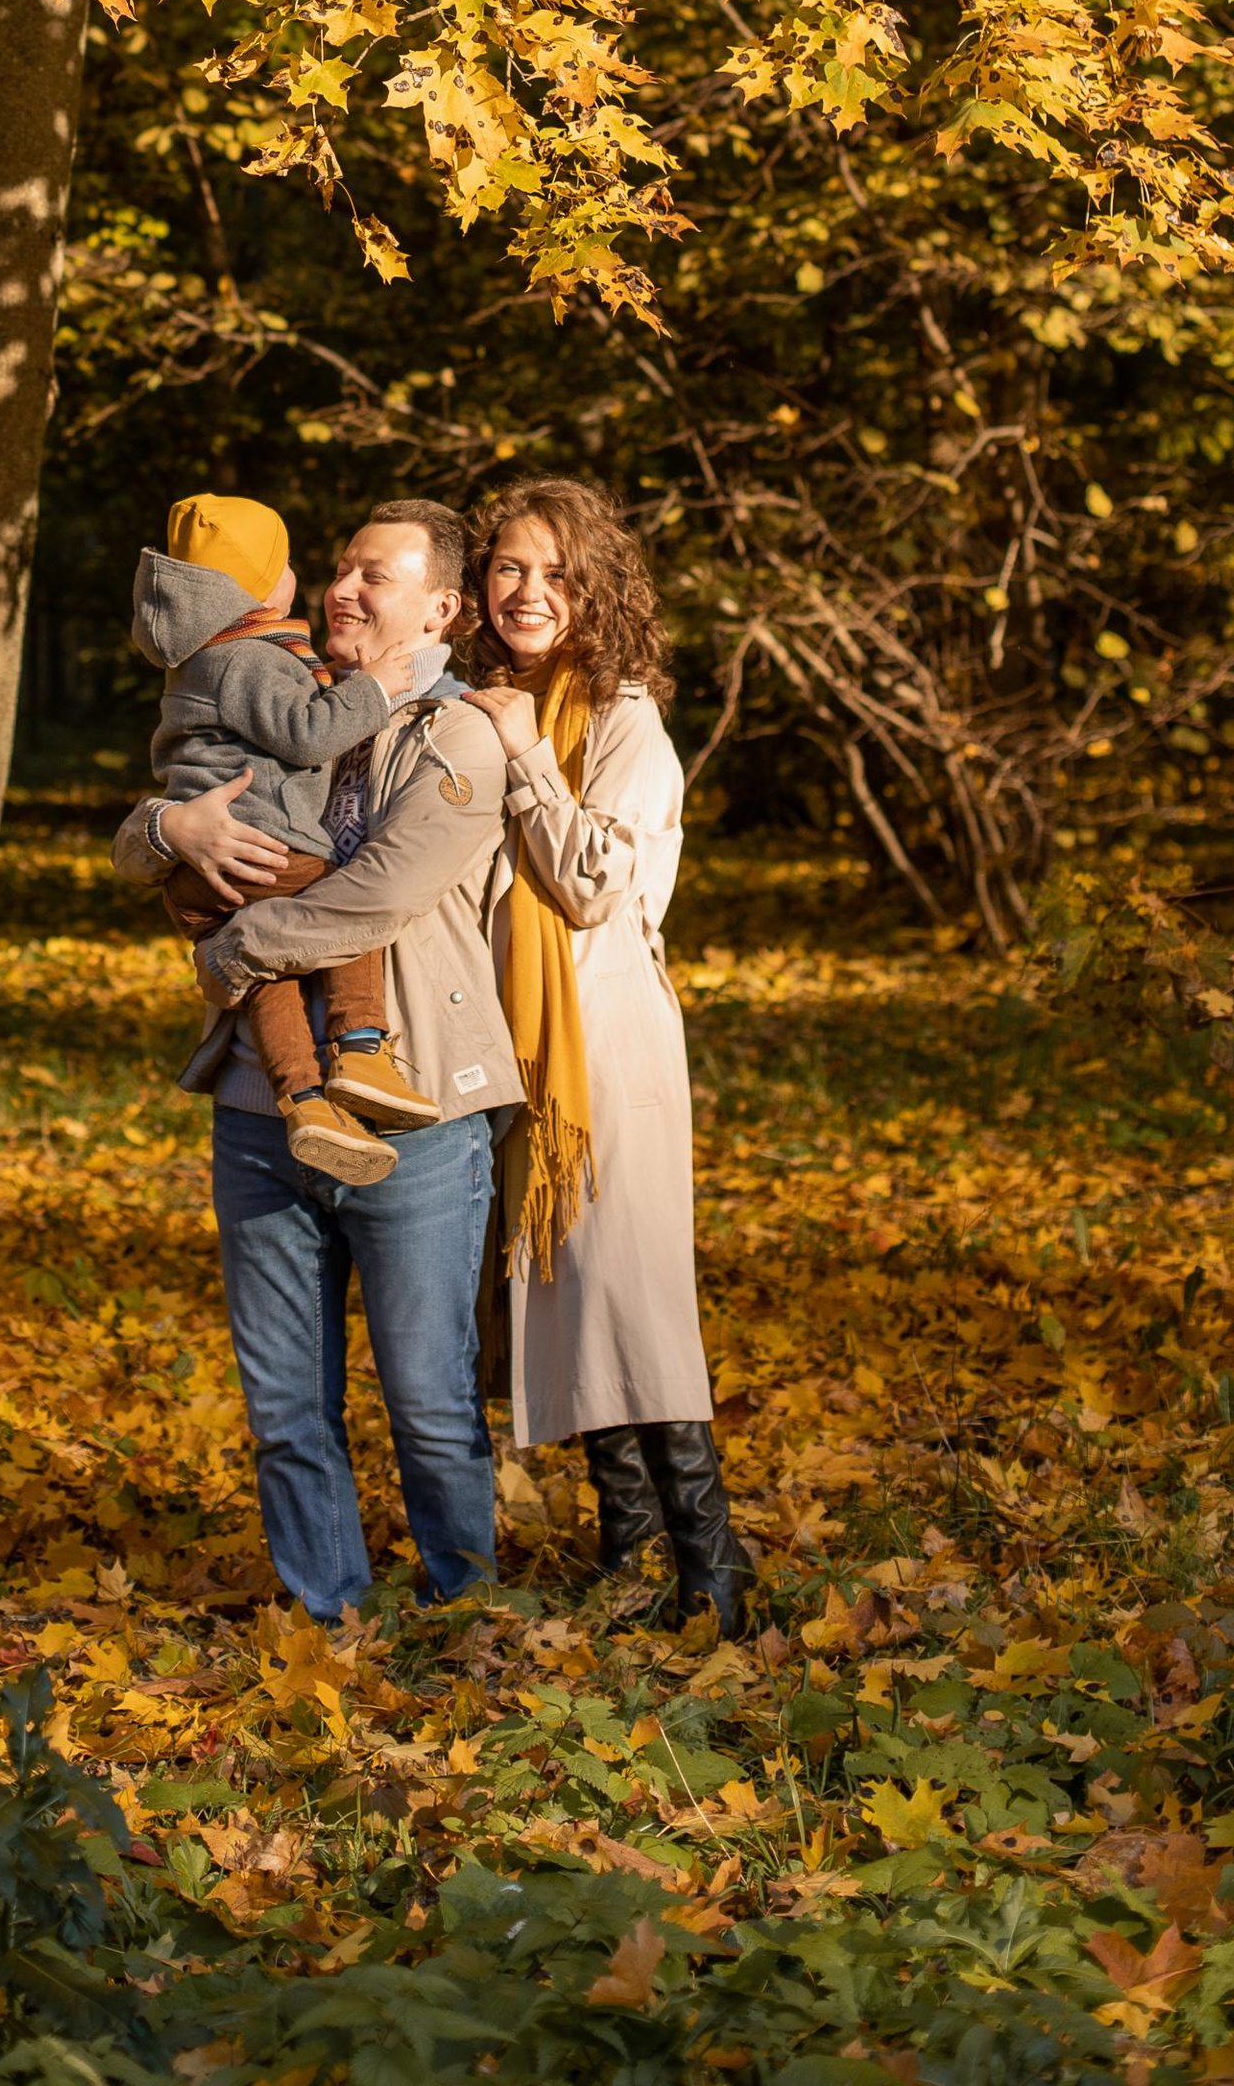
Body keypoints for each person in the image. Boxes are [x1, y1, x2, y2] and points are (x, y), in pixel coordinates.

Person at [116, 502, 521, 1622]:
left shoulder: (459, 734)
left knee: (428, 1401)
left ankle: (466, 1613)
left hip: (413, 1111)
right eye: (338, 567)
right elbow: (140, 823)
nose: (344, 588)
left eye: (373, 576)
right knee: (286, 1404)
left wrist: (229, 946)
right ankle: (325, 1612)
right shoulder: (264, 689)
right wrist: (168, 835)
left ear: (440, 608)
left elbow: (371, 896)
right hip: (257, 1116)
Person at [466, 474, 752, 1639]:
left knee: (631, 1302)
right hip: (526, 1046)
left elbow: (590, 884)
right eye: (508, 568)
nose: (528, 592)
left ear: (596, 589)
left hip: (609, 1040)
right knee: (573, 1298)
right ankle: (629, 1556)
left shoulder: (621, 715)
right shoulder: (487, 700)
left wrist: (528, 755)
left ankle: (715, 1572)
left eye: (555, 573)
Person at [134, 489, 439, 1183]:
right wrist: (376, 689)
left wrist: (167, 830)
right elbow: (310, 733)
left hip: (205, 873)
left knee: (268, 979)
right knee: (345, 902)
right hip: (262, 850)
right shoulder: (250, 659)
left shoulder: (198, 655)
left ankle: (302, 1097)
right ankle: (360, 1047)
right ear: (259, 584)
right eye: (293, 564)